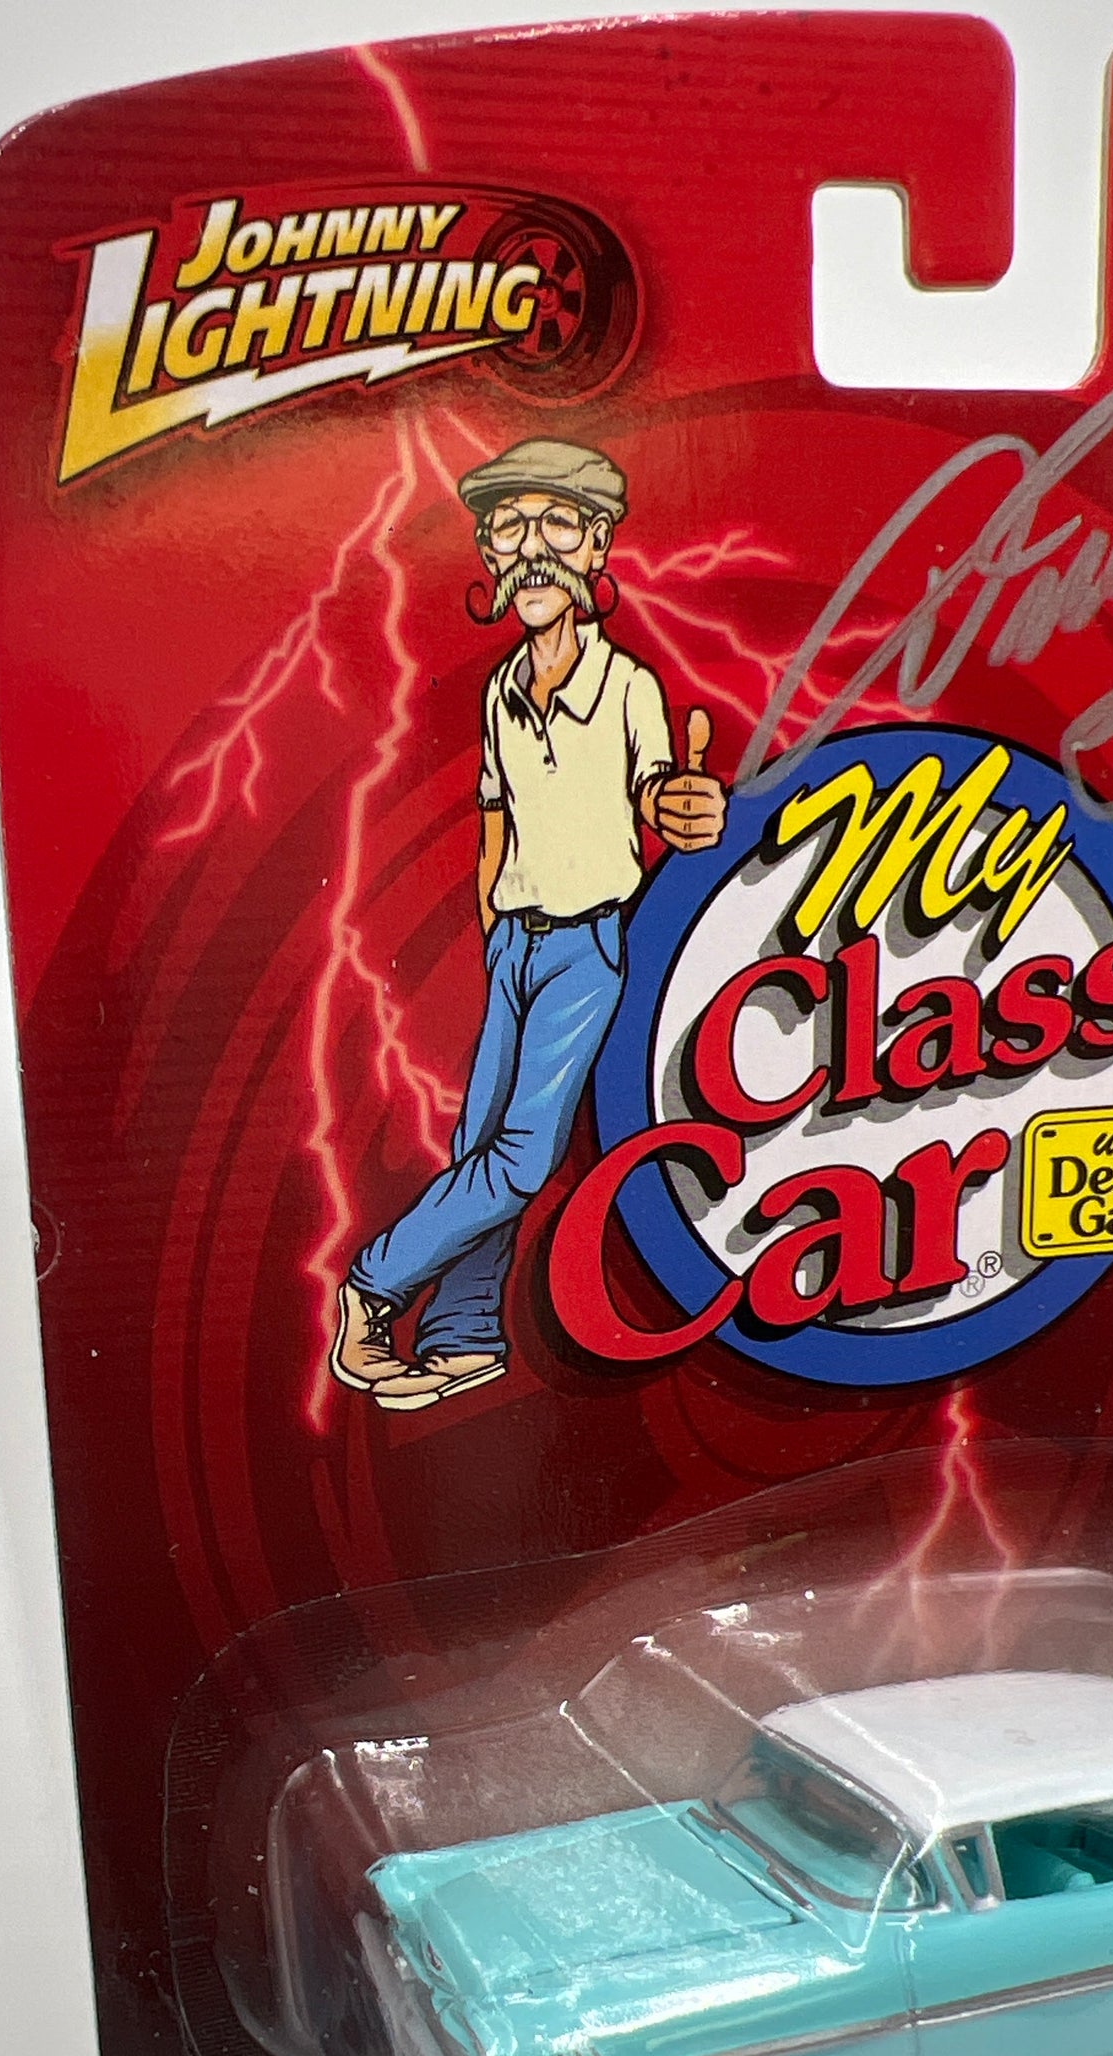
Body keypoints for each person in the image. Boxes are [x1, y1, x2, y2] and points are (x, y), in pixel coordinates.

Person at [330, 435, 727, 1411]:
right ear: (487, 554)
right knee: (479, 1146)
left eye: (556, 524)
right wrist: (493, 929)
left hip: (587, 945)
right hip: (513, 940)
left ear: (596, 547)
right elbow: (494, 819)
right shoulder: (501, 692)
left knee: (519, 1160)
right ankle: (464, 1333)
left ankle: (372, 1285)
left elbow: (655, 788)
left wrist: (682, 807)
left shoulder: (627, 687)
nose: (531, 548)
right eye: (509, 528)